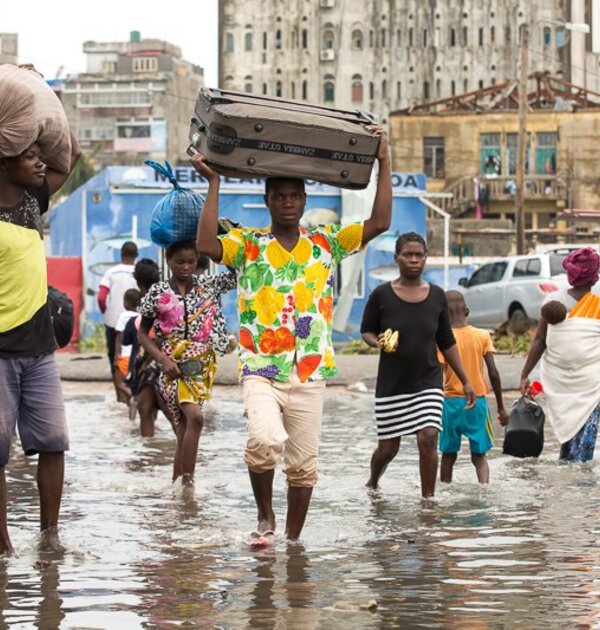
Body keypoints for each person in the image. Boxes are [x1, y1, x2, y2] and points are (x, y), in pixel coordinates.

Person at [193, 124, 392, 542]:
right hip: (261, 366)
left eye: (294, 196)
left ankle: (292, 541)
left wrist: (383, 160)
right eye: (279, 196)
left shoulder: (326, 243)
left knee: (304, 466)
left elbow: (380, 222)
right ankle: (265, 516)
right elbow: (207, 246)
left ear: (304, 201)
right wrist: (213, 183)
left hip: (310, 369)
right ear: (267, 201)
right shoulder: (248, 245)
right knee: (264, 439)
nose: (287, 203)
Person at [0, 134, 81, 555]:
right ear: (3, 163)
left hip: (39, 350)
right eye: (29, 157)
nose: (39, 163)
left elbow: (72, 155)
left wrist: (47, 107)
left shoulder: (33, 202)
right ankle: (3, 545)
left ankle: (50, 537)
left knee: (53, 442)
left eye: (38, 156)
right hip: (1, 351)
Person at [360, 233, 475, 498]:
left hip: (428, 380)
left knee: (429, 436)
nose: (414, 260)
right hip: (392, 385)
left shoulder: (436, 296)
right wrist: (377, 342)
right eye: (408, 255)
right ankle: (373, 482)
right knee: (388, 449)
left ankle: (428, 502)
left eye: (419, 255)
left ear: (425, 258)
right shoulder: (381, 295)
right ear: (396, 258)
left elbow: (446, 341)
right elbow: (366, 331)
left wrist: (466, 380)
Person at [138, 239, 236, 485]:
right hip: (171, 365)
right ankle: (189, 484)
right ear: (168, 260)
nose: (186, 267)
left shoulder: (208, 285)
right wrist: (162, 359)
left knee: (183, 426)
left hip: (202, 366)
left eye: (191, 261)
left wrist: (220, 242)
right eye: (180, 262)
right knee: (195, 417)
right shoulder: (158, 292)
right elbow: (142, 333)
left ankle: (179, 485)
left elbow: (238, 275)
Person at [521, 247, 600, 463]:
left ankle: (567, 474)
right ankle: (580, 481)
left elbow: (540, 340)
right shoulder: (597, 305)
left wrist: (525, 374)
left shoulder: (553, 301)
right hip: (591, 385)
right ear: (595, 276)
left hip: (560, 382)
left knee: (568, 436)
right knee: (584, 445)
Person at [438, 291, 508, 484]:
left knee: (448, 456)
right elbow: (493, 373)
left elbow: (436, 376)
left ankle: (444, 492)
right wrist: (501, 407)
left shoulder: (441, 340)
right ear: (467, 311)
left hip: (450, 404)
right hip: (477, 403)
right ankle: (484, 490)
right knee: (479, 457)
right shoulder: (482, 335)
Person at [125, 258, 163, 436]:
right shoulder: (168, 297)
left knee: (145, 410)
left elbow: (153, 336)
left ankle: (149, 448)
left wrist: (145, 363)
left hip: (150, 362)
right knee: (168, 412)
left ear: (138, 282)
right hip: (167, 359)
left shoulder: (146, 302)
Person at [98, 241, 138, 402]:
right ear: (136, 256)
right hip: (136, 322)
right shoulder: (138, 272)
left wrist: (106, 312)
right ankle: (135, 393)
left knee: (115, 358)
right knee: (135, 355)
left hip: (113, 322)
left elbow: (101, 297)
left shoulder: (111, 272)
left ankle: (120, 395)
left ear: (121, 255)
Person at [113, 288, 141, 405]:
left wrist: (116, 357)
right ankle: (133, 406)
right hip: (137, 356)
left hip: (125, 356)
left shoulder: (123, 316)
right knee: (134, 383)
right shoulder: (140, 316)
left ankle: (135, 399)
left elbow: (119, 338)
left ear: (127, 303)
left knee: (120, 384)